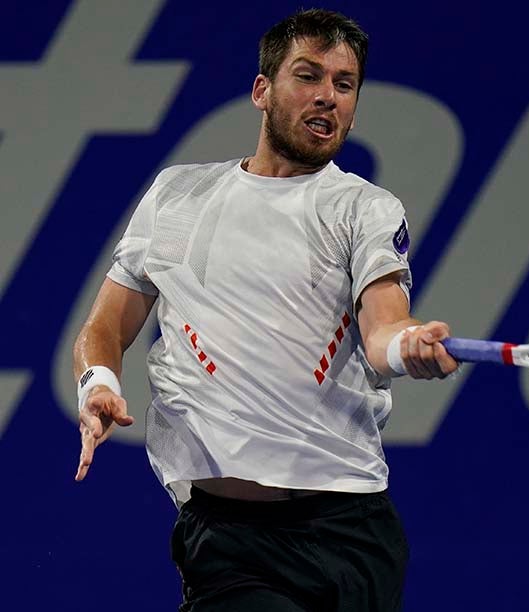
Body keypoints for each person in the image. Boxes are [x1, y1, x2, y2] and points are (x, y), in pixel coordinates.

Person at [73, 8, 457, 611]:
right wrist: (97, 381)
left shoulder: (365, 208)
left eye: (344, 83)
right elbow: (104, 327)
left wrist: (408, 347)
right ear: (262, 90)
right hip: (228, 542)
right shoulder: (176, 197)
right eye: (308, 76)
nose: (327, 96)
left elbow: (384, 325)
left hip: (350, 531)